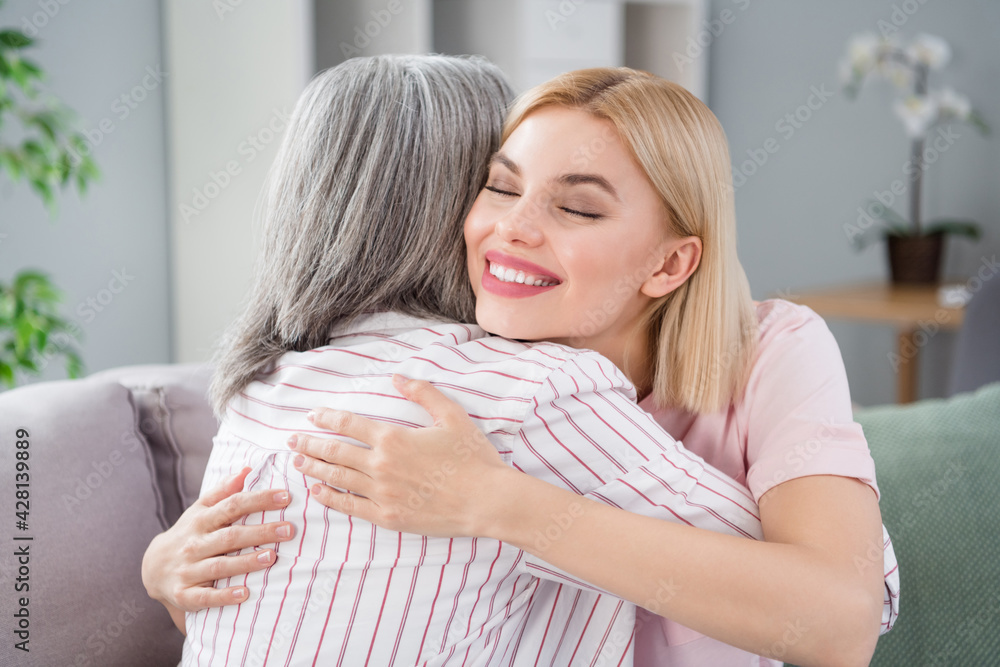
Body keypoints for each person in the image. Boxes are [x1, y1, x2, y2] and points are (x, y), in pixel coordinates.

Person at [145, 64, 899, 665]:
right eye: (499, 187)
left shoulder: (772, 349)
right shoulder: (450, 383)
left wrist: (498, 503)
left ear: (671, 263)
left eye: (577, 208)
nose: (512, 229)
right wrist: (163, 568)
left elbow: (840, 621)